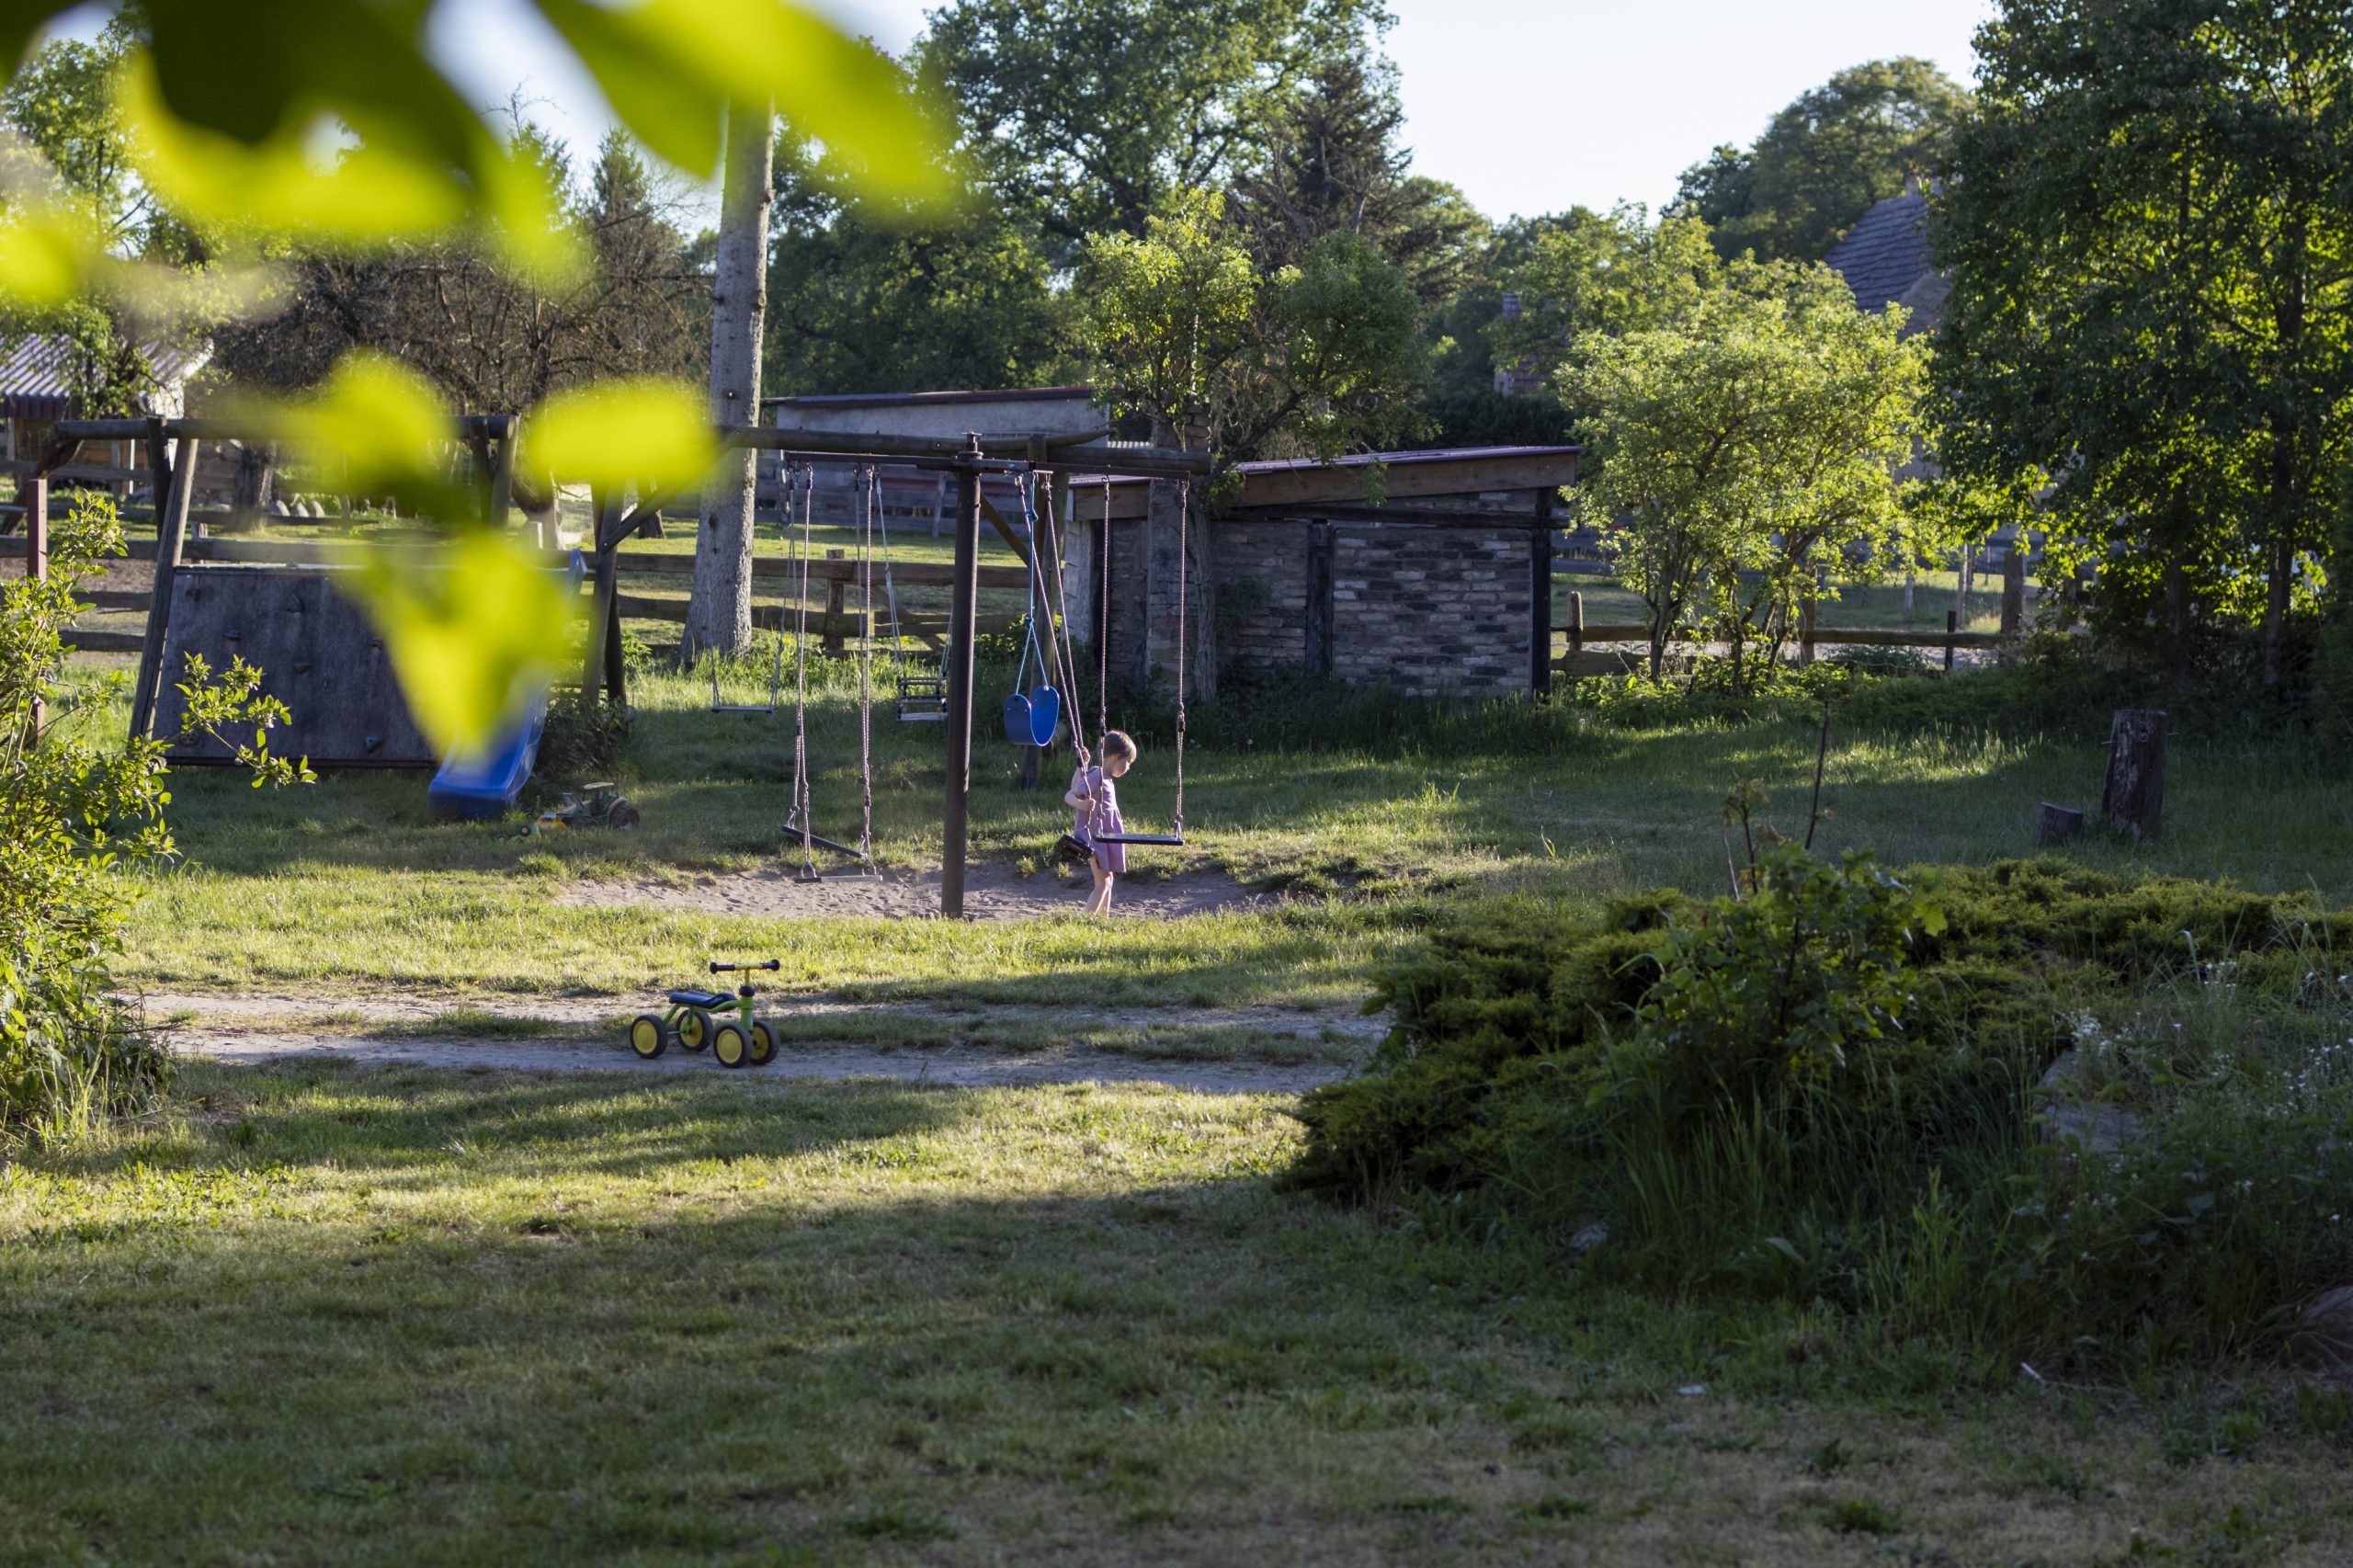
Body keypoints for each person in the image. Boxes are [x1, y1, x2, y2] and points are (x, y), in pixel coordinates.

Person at [1063, 730, 1137, 915]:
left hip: (1105, 838)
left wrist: (1083, 765)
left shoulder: (1104, 778)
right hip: (1095, 839)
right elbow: (1070, 794)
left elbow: (1077, 785)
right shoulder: (1097, 776)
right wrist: (1082, 804)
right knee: (1103, 883)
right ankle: (1087, 920)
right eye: (1128, 762)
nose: (1128, 767)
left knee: (1108, 881)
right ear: (1116, 757)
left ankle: (1103, 921)